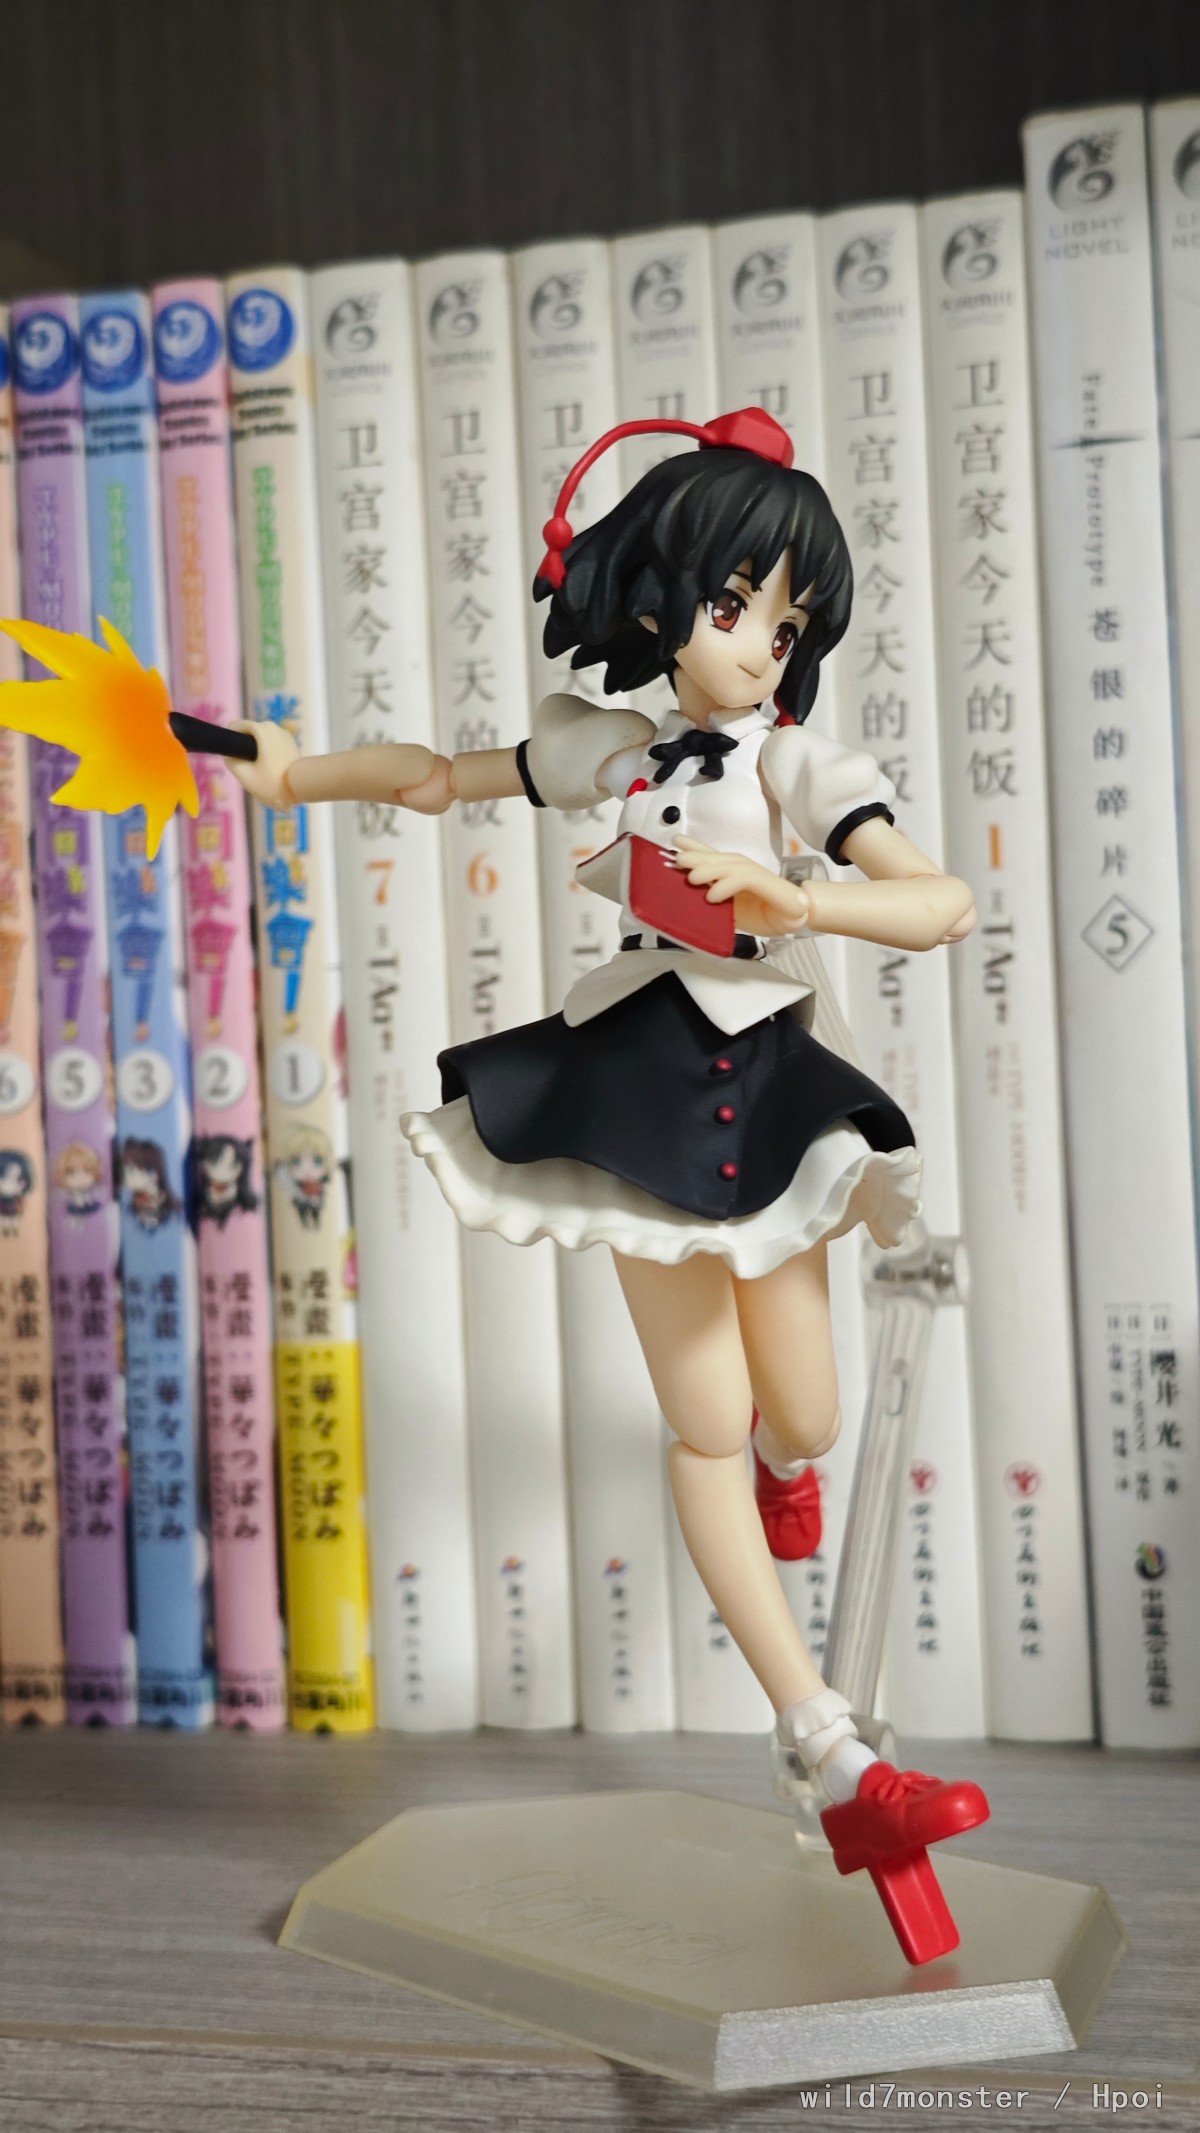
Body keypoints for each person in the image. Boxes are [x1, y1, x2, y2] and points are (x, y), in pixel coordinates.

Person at [231, 408, 988, 1963]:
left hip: (769, 1074)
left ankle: (784, 1473)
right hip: (637, 1080)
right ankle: (829, 1746)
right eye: (736, 606)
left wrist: (799, 898)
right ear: (662, 598)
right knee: (706, 1422)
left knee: (806, 1414)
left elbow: (944, 901)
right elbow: (440, 778)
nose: (759, 645)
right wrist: (296, 772)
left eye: (787, 624)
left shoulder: (796, 761)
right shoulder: (615, 750)